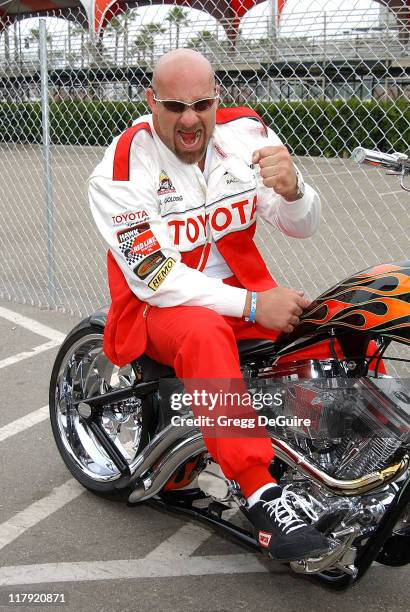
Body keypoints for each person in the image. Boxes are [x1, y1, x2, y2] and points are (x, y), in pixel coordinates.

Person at [88, 49, 329, 561]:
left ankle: (335, 467)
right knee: (204, 332)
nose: (191, 119)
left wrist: (294, 189)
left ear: (218, 99)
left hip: (241, 298)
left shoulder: (246, 135)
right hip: (156, 307)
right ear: (151, 102)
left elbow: (302, 225)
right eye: (175, 106)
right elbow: (154, 276)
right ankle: (260, 493)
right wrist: (251, 305)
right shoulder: (122, 167)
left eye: (202, 103)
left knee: (334, 328)